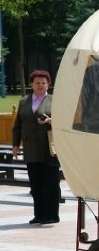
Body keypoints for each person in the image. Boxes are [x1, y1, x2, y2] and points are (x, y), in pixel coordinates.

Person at [11, 70, 61, 225]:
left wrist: (50, 120)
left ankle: (52, 215)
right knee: (36, 184)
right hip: (31, 149)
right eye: (37, 83)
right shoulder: (23, 102)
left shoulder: (55, 101)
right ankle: (39, 215)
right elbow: (17, 125)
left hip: (49, 149)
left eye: (44, 83)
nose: (40, 85)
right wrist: (15, 144)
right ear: (31, 84)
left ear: (49, 84)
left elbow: (64, 122)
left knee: (50, 183)